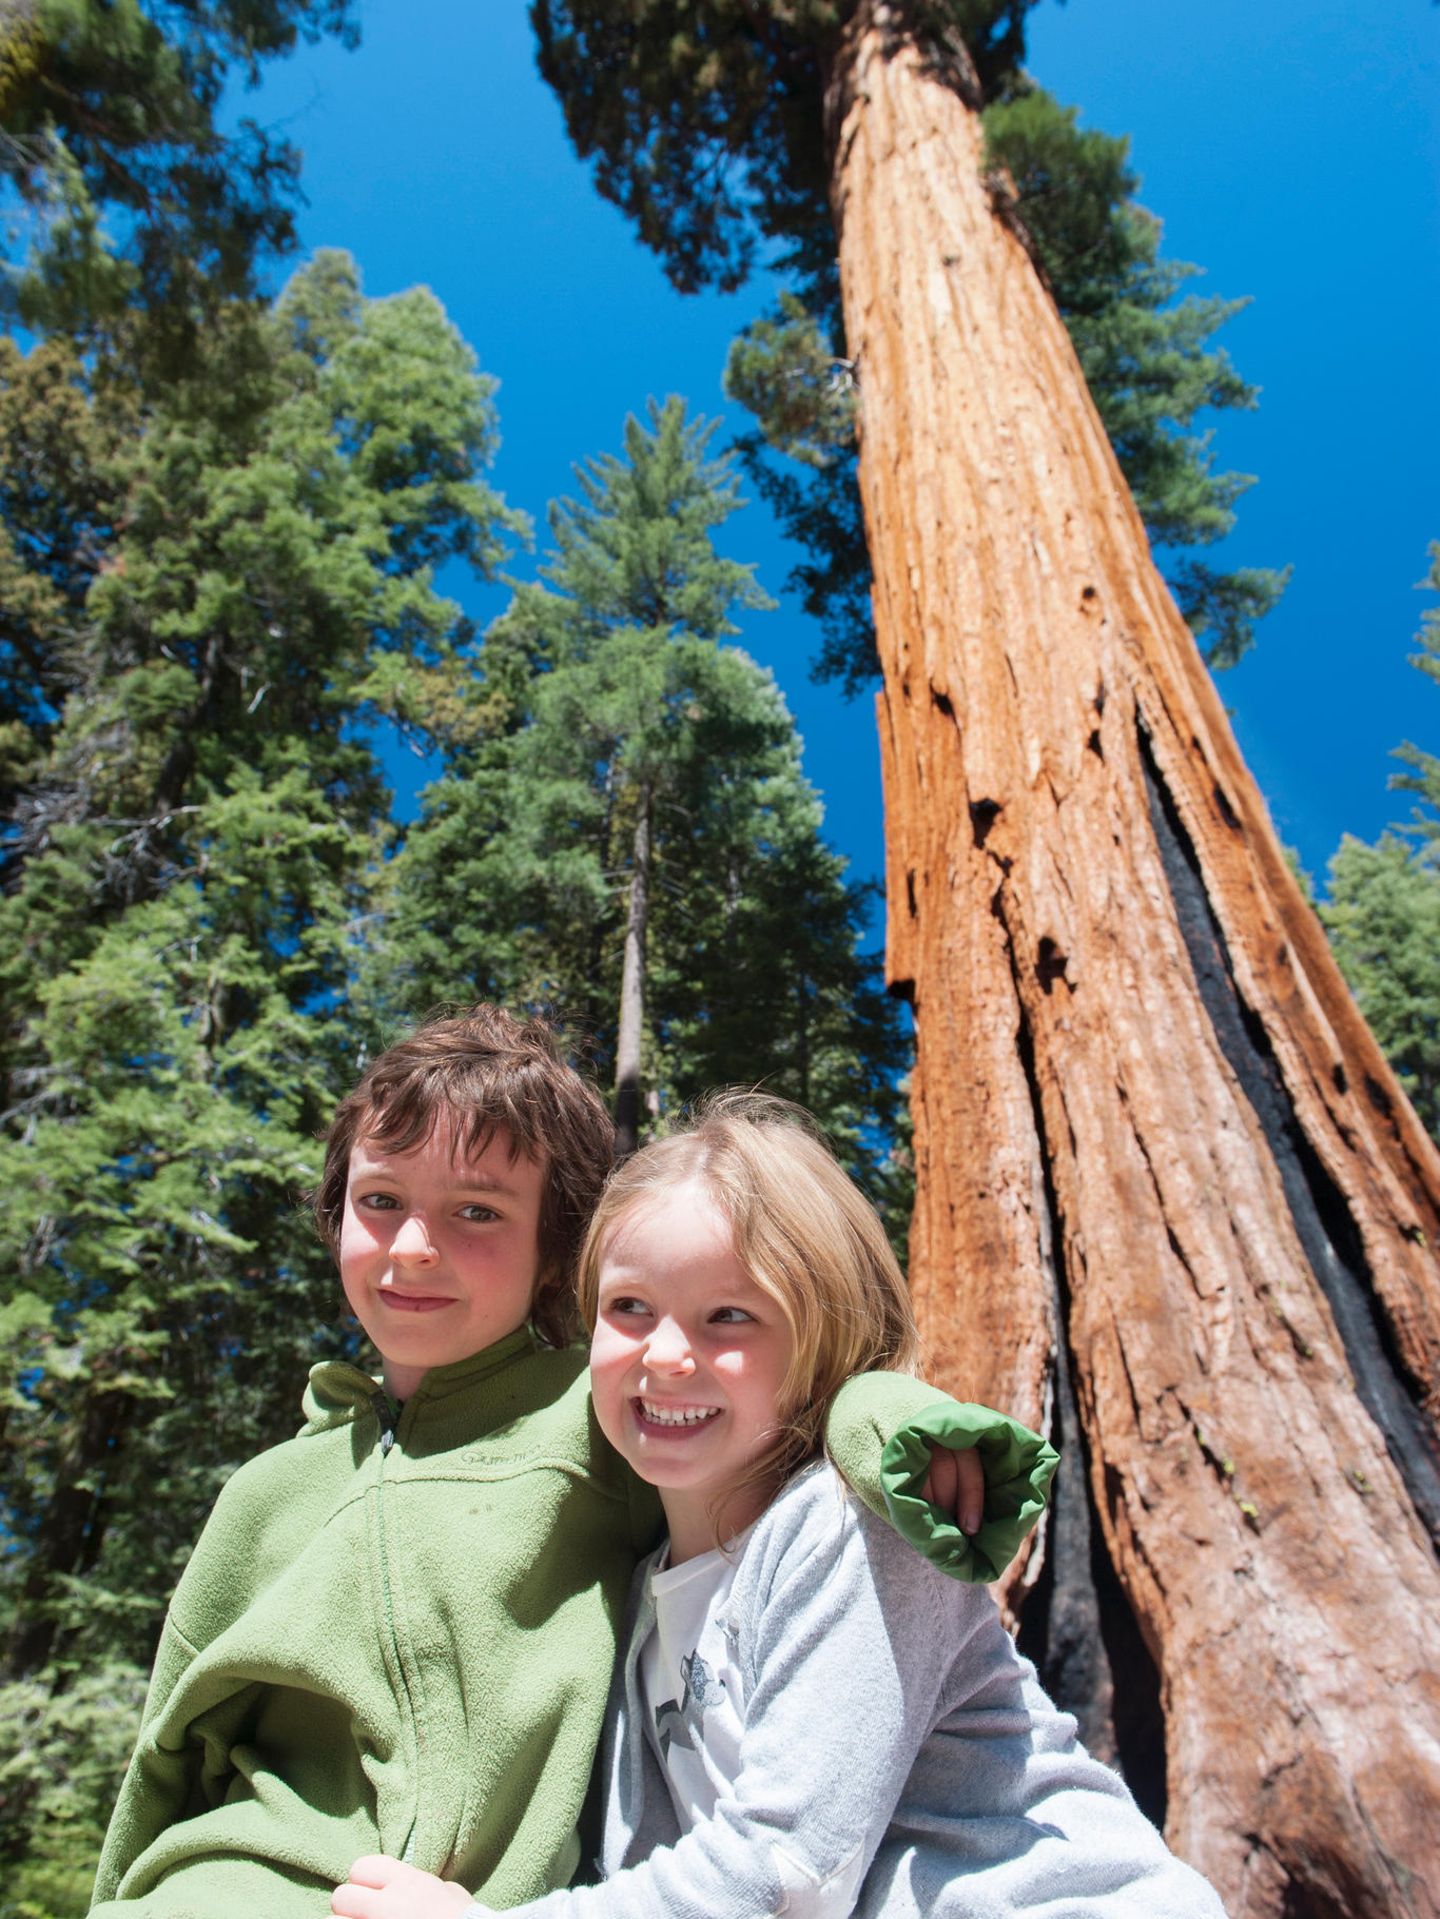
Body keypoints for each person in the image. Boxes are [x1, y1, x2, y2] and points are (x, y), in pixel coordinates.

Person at [92, 1010, 1056, 1919]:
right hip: (234, 1882)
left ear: (559, 1250)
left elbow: (792, 1382)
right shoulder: (266, 1496)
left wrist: (898, 1423)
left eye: (476, 1209)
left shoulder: (597, 1416)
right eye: (381, 1200)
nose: (416, 1246)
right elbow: (166, 1757)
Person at [335, 1090, 1227, 1919]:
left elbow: (790, 1871)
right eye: (631, 1306)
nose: (667, 1355)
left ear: (822, 1337)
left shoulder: (850, 1526)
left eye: (729, 1316)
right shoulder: (642, 1583)